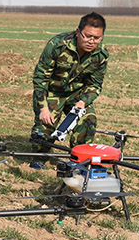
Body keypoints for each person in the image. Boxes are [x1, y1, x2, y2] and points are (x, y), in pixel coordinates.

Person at [30, 12, 109, 169]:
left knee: (88, 120)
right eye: (87, 36)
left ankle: (80, 159)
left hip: (76, 95)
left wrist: (82, 102)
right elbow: (41, 78)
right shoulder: (57, 45)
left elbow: (95, 84)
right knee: (47, 124)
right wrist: (43, 108)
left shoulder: (101, 55)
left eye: (97, 38)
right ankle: (40, 155)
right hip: (51, 92)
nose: (91, 41)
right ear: (78, 32)